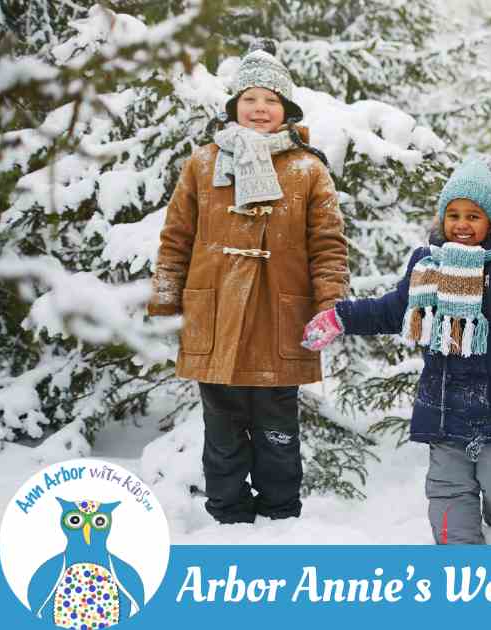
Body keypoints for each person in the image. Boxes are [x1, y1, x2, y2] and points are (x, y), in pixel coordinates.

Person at [301, 157, 491, 544]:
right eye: (453, 215)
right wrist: (341, 317)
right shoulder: (427, 266)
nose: (462, 224)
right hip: (444, 410)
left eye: (473, 216)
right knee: (448, 495)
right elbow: (392, 310)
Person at [147, 40, 348, 524]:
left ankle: (281, 518)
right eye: (250, 99)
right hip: (216, 315)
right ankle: (228, 517)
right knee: (222, 431)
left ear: (286, 109)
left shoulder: (309, 169)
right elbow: (177, 236)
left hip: (281, 317)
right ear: (234, 106)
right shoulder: (202, 163)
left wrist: (331, 305)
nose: (260, 108)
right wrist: (166, 297)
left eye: (271, 100)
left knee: (279, 431)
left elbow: (328, 245)